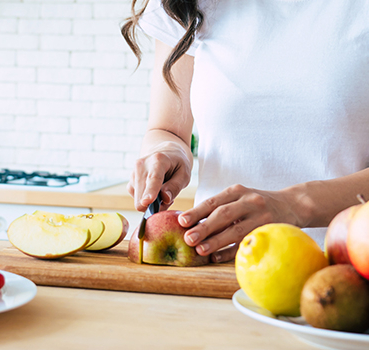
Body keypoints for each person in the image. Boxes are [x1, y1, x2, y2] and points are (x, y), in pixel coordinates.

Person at [121, 0, 369, 263]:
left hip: (348, 264)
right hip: (217, 266)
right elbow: (167, 130)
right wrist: (167, 150)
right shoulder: (185, 4)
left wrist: (295, 204)